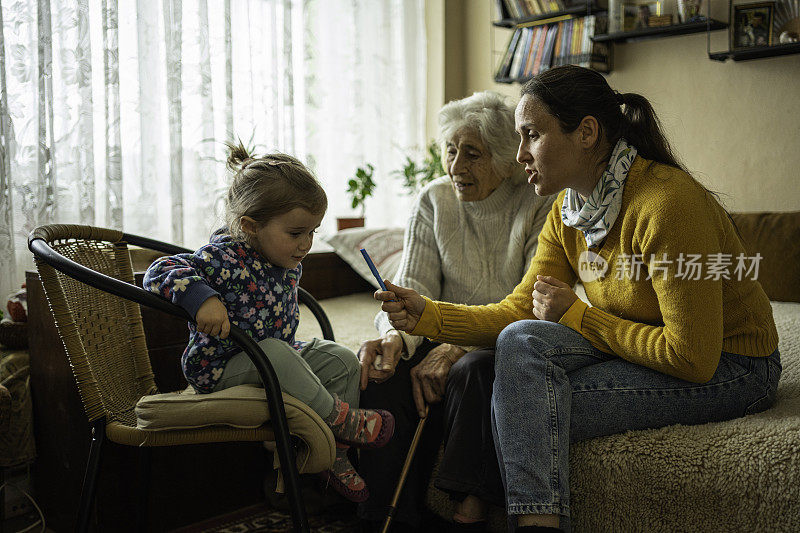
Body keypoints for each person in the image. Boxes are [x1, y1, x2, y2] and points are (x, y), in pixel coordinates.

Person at [374, 65, 780, 532]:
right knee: (521, 340)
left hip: (735, 366)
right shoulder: (568, 213)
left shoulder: (667, 205)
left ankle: (534, 522)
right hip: (651, 345)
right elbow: (519, 311)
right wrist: (427, 315)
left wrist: (579, 317)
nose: (521, 154)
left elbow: (693, 358)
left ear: (587, 132)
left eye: (532, 135)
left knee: (515, 401)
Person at [144, 143, 395, 503]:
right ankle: (342, 421)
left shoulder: (286, 259)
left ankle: (333, 453)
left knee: (339, 357)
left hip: (274, 356)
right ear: (250, 226)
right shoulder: (223, 256)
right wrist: (204, 299)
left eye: (313, 232)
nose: (306, 244)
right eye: (296, 233)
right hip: (220, 368)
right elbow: (160, 269)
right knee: (276, 351)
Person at [357, 91, 553, 531]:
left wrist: (455, 346)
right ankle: (387, 518)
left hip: (503, 338)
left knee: (473, 370)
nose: (456, 167)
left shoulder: (538, 202)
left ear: (505, 159)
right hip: (434, 323)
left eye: (472, 154)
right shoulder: (434, 200)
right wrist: (394, 338)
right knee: (385, 373)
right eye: (450, 150)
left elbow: (528, 307)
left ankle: (468, 513)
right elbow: (413, 286)